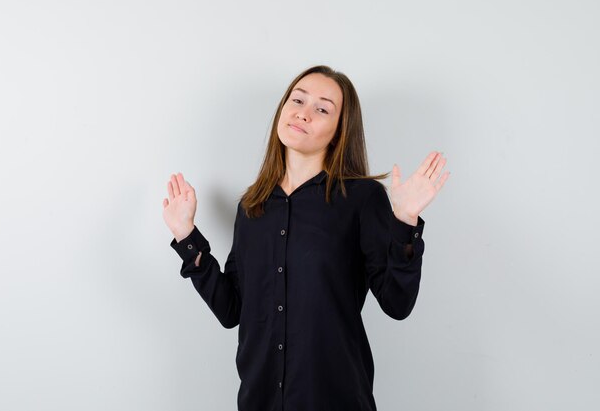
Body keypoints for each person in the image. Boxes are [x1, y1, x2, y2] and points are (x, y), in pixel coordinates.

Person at [162, 65, 449, 411]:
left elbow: (397, 304)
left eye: (322, 108)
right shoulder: (252, 207)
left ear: (339, 131)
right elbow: (232, 310)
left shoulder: (361, 198)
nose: (304, 113)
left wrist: (404, 220)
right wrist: (186, 235)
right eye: (297, 100)